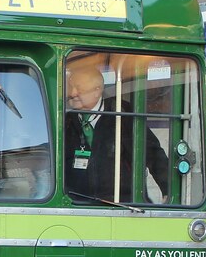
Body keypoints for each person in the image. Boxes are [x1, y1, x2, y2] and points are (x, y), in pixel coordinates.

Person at [63, 65, 169, 203]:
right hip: (76, 205)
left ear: (97, 90)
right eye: (70, 87)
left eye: (79, 87)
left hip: (121, 206)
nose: (73, 92)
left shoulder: (122, 114)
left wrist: (167, 189)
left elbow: (152, 153)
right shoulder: (66, 120)